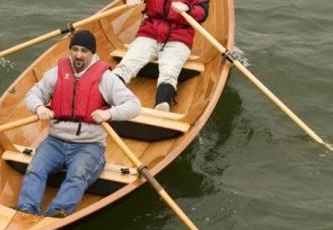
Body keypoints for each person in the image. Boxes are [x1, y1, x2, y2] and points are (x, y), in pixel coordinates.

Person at [17, 30, 141, 217]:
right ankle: (26, 211)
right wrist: (39, 108)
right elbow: (32, 95)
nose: (78, 55)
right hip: (55, 142)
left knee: (77, 176)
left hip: (89, 146)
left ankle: (56, 214)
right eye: (74, 49)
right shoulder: (57, 73)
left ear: (92, 53)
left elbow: (134, 106)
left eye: (84, 51)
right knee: (35, 169)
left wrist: (109, 114)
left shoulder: (106, 78)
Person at [114, 0, 210, 111]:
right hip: (149, 33)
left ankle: (162, 103)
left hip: (179, 37)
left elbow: (202, 13)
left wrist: (188, 8)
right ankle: (106, 92)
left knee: (170, 70)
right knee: (128, 63)